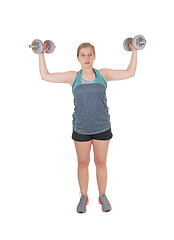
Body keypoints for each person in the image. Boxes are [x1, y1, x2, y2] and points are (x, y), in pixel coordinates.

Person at [39, 41, 137, 213]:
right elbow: (45, 75)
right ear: (78, 58)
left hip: (102, 127)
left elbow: (130, 72)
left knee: (101, 163)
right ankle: (84, 197)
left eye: (90, 54)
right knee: (83, 163)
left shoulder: (103, 74)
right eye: (83, 55)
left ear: (94, 56)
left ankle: (103, 195)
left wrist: (134, 49)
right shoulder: (73, 77)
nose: (86, 58)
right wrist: (41, 52)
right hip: (81, 128)